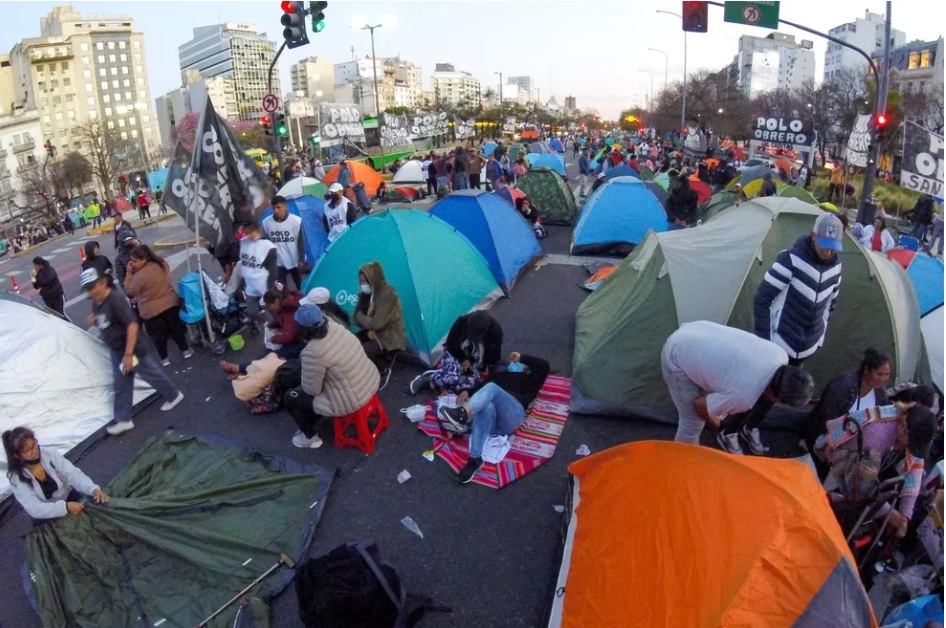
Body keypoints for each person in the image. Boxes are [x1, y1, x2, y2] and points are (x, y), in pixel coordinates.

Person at [661, 320, 814, 450]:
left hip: (697, 329)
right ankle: (681, 463)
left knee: (714, 395)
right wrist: (717, 424)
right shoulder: (745, 396)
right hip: (676, 355)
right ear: (775, 397)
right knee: (692, 423)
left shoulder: (779, 354)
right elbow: (699, 407)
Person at [81, 267, 184, 436]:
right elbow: (106, 322)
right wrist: (95, 321)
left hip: (131, 351)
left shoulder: (115, 300)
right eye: (88, 289)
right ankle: (124, 419)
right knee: (122, 382)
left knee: (150, 373)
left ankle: (173, 395)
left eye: (92, 287)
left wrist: (129, 355)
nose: (90, 292)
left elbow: (132, 325)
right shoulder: (97, 302)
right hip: (118, 352)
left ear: (103, 283)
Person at [815, 402, 937, 538]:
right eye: (912, 443)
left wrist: (905, 516)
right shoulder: (877, 435)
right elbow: (864, 487)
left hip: (869, 467)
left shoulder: (911, 430)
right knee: (850, 503)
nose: (911, 448)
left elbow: (914, 472)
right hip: (841, 458)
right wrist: (889, 513)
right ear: (903, 429)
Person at [438, 353, 550, 483]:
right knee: (485, 405)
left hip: (512, 415)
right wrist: (467, 391)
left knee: (491, 389)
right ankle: (474, 459)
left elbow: (544, 365)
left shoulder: (531, 379)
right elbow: (480, 389)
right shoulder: (498, 377)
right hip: (491, 425)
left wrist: (521, 357)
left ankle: (462, 415)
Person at [283, 304, 380, 449]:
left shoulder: (312, 352)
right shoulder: (338, 328)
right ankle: (317, 418)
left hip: (351, 400)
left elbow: (312, 390)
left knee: (292, 396)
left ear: (302, 329)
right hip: (369, 379)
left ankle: (310, 437)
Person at [754, 212, 843, 366]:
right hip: (779, 344)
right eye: (824, 246)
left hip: (807, 349)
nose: (828, 253)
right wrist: (765, 342)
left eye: (833, 248)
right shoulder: (790, 260)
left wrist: (819, 339)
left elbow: (830, 305)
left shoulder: (836, 269)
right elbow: (762, 300)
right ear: (813, 235)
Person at [804, 349, 891, 475]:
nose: (883, 379)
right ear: (866, 370)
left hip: (852, 446)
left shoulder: (880, 393)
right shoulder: (842, 386)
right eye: (879, 374)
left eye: (887, 374)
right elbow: (824, 420)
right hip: (825, 438)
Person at [3, 427, 109, 521]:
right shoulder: (16, 477)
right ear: (17, 455)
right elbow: (34, 508)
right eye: (28, 451)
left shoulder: (50, 455)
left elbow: (73, 475)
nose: (35, 451)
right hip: (47, 515)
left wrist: (93, 489)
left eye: (34, 444)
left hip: (69, 497)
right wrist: (65, 508)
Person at [124, 244, 194, 366]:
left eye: (135, 261)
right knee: (176, 330)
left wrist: (129, 273)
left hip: (151, 311)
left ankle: (164, 359)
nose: (133, 264)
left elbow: (129, 291)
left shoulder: (139, 276)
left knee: (159, 336)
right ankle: (186, 351)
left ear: (143, 259)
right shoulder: (161, 265)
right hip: (170, 303)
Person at [410, 311, 503, 395]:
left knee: (468, 387)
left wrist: (486, 370)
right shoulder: (461, 322)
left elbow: (495, 356)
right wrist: (464, 359)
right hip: (455, 353)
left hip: (474, 362)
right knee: (452, 377)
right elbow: (451, 344)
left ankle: (443, 376)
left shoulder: (495, 331)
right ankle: (429, 380)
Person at [353, 261, 406, 376]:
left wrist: (360, 316)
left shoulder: (387, 294)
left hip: (390, 337)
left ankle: (383, 369)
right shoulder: (371, 293)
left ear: (373, 279)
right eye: (361, 281)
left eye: (365, 281)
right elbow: (356, 320)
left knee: (366, 350)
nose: (363, 285)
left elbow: (375, 324)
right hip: (375, 332)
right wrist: (363, 298)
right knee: (353, 341)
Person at [239, 221, 278, 332]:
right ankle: (254, 323)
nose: (249, 235)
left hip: (264, 285)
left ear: (257, 230)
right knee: (251, 310)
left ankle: (281, 324)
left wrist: (270, 287)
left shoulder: (268, 247)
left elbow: (273, 270)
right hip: (250, 285)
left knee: (272, 310)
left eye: (251, 232)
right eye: (246, 233)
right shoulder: (243, 243)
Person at [262, 195, 305, 290]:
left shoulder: (295, 221)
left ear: (285, 206)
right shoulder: (266, 222)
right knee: (281, 287)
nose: (276, 210)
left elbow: (300, 241)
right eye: (273, 208)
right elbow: (267, 243)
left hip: (293, 258)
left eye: (278, 207)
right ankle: (285, 302)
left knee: (299, 284)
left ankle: (303, 301)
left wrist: (301, 259)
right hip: (278, 261)